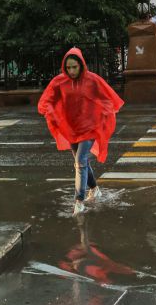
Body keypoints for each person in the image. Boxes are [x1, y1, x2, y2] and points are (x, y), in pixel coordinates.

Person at [38, 48, 124, 216]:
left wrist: (103, 115)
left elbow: (107, 98)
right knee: (82, 162)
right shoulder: (59, 82)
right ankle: (95, 188)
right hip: (71, 128)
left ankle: (79, 200)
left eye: (74, 67)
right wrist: (50, 111)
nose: (71, 71)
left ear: (81, 65)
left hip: (90, 127)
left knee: (80, 160)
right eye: (68, 68)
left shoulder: (92, 80)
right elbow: (47, 100)